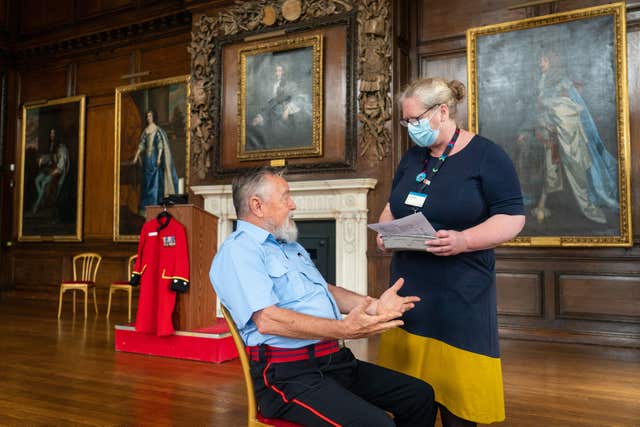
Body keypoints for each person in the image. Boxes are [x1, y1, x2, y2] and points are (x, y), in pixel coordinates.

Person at [210, 167, 437, 427]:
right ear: (257, 206)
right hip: (288, 376)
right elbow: (268, 320)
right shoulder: (239, 251)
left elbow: (325, 290)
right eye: (286, 197)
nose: (293, 205)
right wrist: (343, 329)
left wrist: (374, 306)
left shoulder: (288, 245)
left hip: (334, 362)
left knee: (419, 396)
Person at [375, 78, 526, 426]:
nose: (411, 128)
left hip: (461, 295)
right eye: (406, 121)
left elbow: (512, 217)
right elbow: (393, 205)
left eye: (415, 120)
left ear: (443, 112)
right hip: (409, 292)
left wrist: (464, 240)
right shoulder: (412, 157)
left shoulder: (487, 155)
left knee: (459, 404)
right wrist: (386, 232)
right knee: (410, 398)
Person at [526, 50, 618, 224]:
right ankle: (542, 205)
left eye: (544, 60)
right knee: (550, 169)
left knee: (575, 169)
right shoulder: (542, 81)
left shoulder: (562, 82)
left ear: (552, 62)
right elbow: (538, 108)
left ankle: (587, 206)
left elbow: (569, 106)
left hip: (567, 133)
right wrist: (542, 119)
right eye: (540, 60)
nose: (541, 63)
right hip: (550, 133)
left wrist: (546, 106)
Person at [247, 63, 312, 150]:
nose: (277, 73)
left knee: (285, 141)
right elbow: (272, 102)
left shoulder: (290, 84)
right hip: (273, 117)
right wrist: (261, 117)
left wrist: (288, 110)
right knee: (272, 141)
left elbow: (299, 97)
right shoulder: (274, 85)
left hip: (285, 117)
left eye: (280, 70)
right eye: (276, 71)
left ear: (284, 72)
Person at [132, 110, 179, 216]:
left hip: (154, 158)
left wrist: (158, 158)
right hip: (147, 160)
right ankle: (146, 209)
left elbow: (160, 145)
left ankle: (155, 207)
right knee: (147, 184)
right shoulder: (146, 130)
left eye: (150, 116)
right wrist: (136, 157)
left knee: (156, 183)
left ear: (154, 117)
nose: (148, 118)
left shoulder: (157, 130)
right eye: (147, 116)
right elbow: (142, 144)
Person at [32, 128, 69, 214]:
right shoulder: (53, 145)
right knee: (37, 180)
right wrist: (42, 159)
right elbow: (50, 157)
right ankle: (42, 200)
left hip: (59, 172)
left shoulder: (62, 148)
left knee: (44, 182)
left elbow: (61, 167)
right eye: (51, 134)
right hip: (52, 168)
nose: (51, 136)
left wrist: (51, 173)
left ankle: (36, 205)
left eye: (53, 134)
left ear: (57, 135)